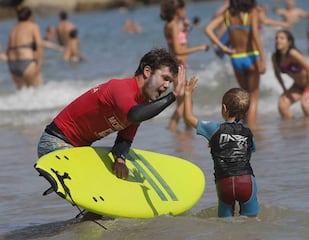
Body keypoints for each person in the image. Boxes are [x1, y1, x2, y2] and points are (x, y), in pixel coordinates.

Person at [37, 48, 184, 182]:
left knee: (113, 187)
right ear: (147, 71)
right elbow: (134, 115)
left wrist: (120, 159)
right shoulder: (121, 89)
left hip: (79, 149)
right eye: (165, 78)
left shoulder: (140, 102)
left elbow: (125, 138)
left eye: (170, 82)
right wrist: (173, 95)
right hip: (54, 143)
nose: (166, 86)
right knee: (98, 187)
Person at [184, 78, 259, 219]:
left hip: (224, 182)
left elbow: (189, 118)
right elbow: (247, 153)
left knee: (225, 223)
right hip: (246, 181)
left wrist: (188, 93)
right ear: (245, 113)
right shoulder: (248, 133)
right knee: (253, 220)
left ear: (224, 108)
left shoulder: (213, 129)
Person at [205, 0, 266, 129]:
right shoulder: (252, 12)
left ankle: (244, 128)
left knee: (245, 96)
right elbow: (255, 35)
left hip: (236, 58)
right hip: (251, 57)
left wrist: (223, 47)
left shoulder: (227, 14)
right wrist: (262, 59)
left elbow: (208, 29)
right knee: (253, 96)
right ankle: (252, 129)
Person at [160, 0, 209, 132]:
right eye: (184, 10)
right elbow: (178, 51)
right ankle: (172, 130)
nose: (185, 13)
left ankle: (187, 132)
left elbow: (180, 41)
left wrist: (186, 28)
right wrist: (200, 47)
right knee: (182, 104)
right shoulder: (173, 26)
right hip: (177, 68)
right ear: (177, 11)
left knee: (187, 101)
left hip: (179, 66)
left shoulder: (171, 25)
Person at [272, 30, 309, 119]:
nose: (278, 40)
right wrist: (285, 90)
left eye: (282, 38)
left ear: (289, 42)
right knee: (282, 105)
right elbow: (277, 74)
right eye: (276, 38)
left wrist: (308, 89)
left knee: (305, 104)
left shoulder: (293, 53)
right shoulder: (275, 57)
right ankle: (293, 130)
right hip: (298, 86)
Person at [7, 6, 43, 90]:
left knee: (23, 95)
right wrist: (39, 65)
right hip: (27, 62)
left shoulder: (13, 28)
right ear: (30, 16)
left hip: (12, 65)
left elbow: (8, 49)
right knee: (39, 91)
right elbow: (40, 45)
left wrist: (10, 67)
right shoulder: (33, 26)